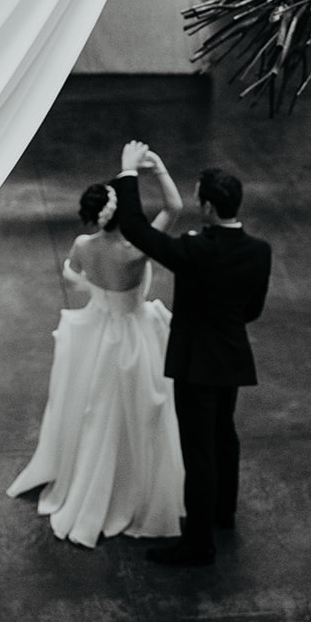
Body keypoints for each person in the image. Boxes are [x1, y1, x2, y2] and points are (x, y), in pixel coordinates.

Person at [6, 166, 186, 548]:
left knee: (94, 410)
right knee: (137, 413)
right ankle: (132, 486)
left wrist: (93, 288)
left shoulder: (83, 245)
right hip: (133, 336)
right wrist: (153, 169)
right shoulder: (136, 250)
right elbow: (174, 206)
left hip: (96, 330)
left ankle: (91, 480)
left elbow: (72, 272)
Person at [113, 141, 271, 567]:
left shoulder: (195, 251)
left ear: (206, 208)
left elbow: (136, 229)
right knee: (225, 435)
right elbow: (252, 310)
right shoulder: (259, 251)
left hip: (196, 363)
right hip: (232, 357)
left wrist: (128, 173)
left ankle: (198, 544)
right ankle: (225, 512)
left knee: (199, 451)